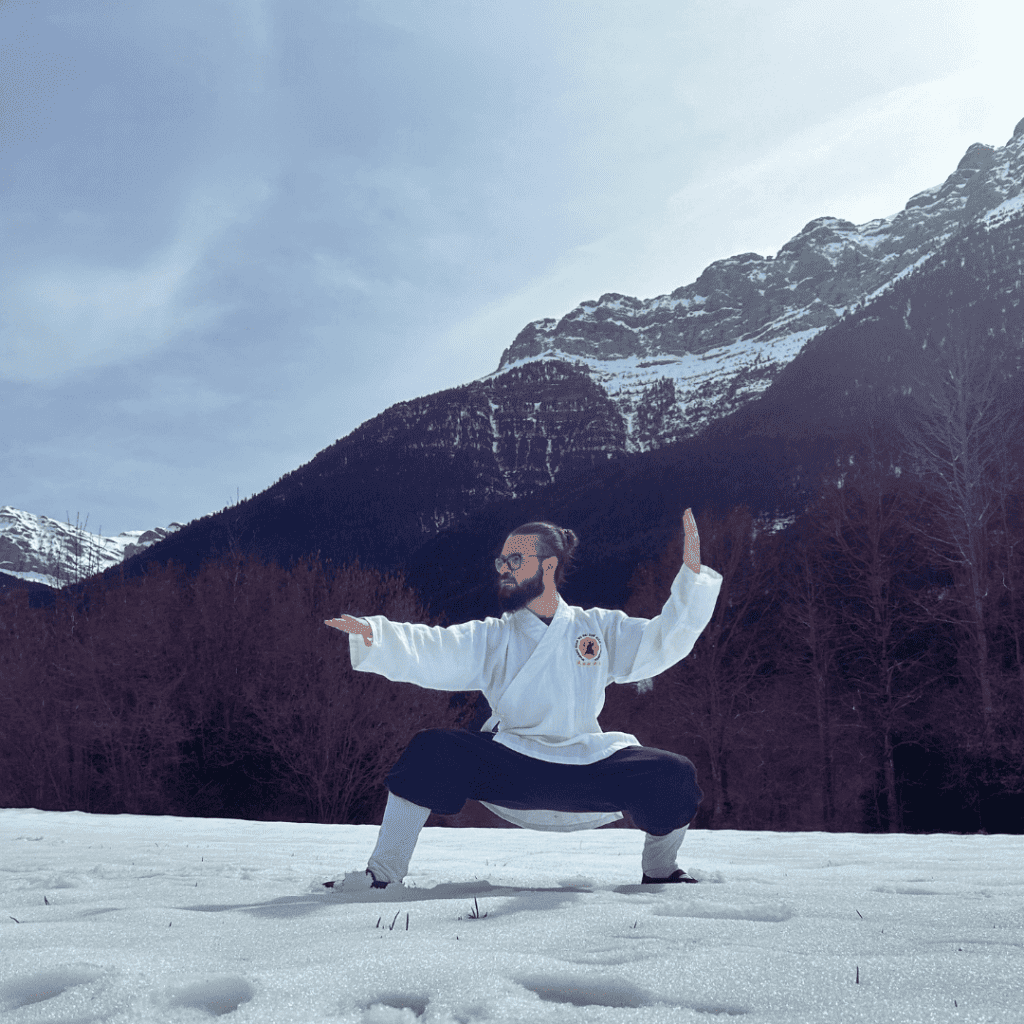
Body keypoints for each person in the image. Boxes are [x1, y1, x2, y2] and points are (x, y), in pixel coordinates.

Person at [323, 508, 722, 893]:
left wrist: (692, 579)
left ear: (549, 565)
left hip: (586, 765)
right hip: (513, 764)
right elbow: (435, 647)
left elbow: (662, 639)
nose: (504, 570)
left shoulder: (597, 628)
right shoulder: (494, 636)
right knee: (430, 750)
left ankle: (661, 870)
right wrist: (377, 634)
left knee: (674, 773)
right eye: (501, 562)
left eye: (514, 560)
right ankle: (382, 873)